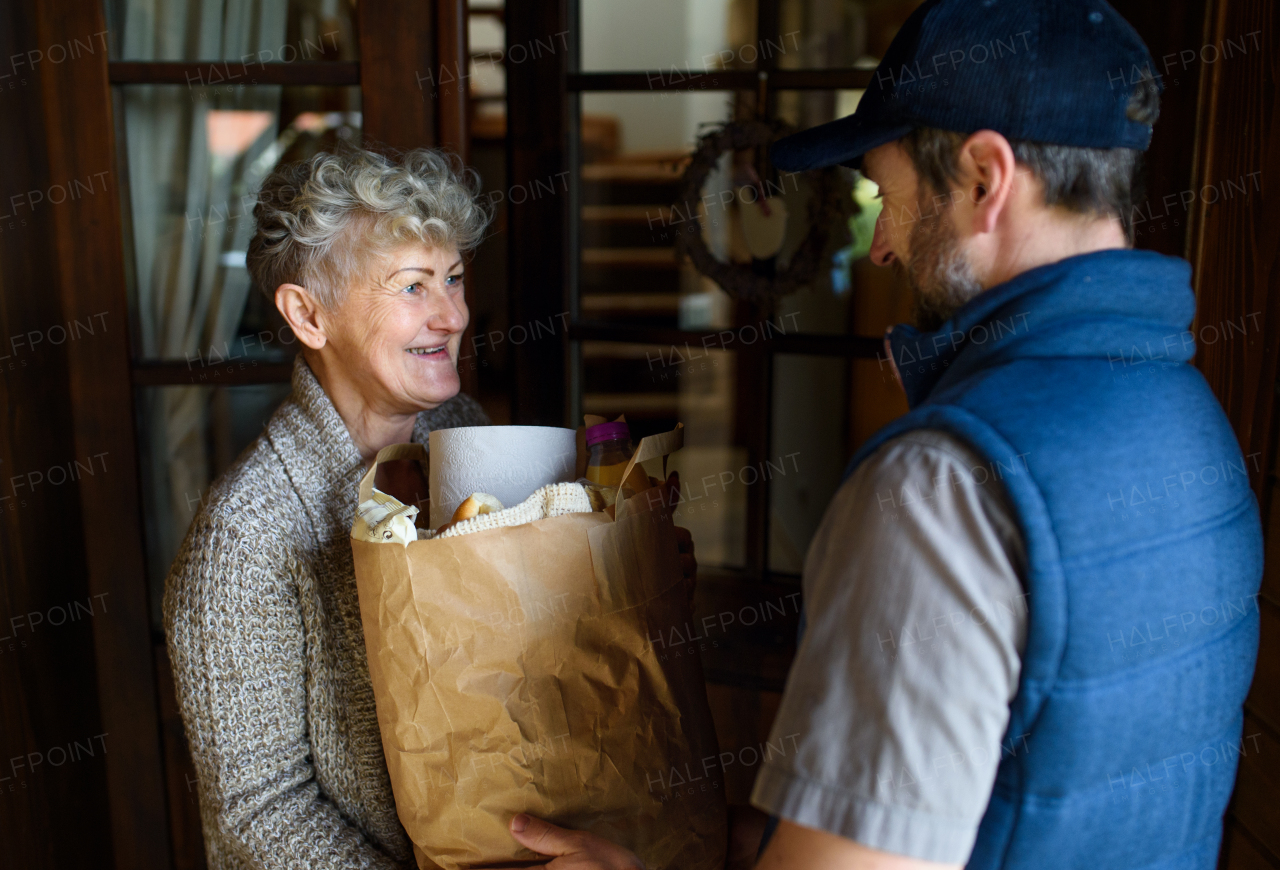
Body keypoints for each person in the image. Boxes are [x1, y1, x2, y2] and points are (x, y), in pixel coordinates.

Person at [505, 1, 1263, 868]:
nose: (882, 248)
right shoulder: (1194, 418)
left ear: (985, 177)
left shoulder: (943, 484)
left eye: (887, 196)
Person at [164, 148, 494, 867]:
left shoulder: (462, 429)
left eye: (454, 277)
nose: (453, 312)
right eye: (413, 286)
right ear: (309, 315)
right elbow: (261, 811)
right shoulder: (245, 534)